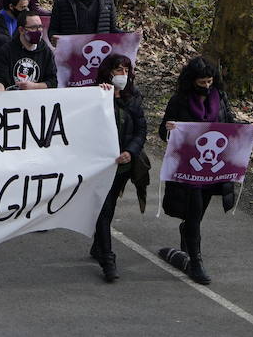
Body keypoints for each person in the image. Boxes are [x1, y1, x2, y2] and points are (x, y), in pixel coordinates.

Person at [159, 56, 243, 285]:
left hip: (213, 170)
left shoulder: (220, 97)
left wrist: (248, 130)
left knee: (199, 211)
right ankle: (196, 261)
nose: (207, 87)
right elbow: (163, 132)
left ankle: (187, 232)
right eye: (202, 83)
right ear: (191, 81)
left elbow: (230, 125)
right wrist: (169, 129)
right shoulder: (179, 101)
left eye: (210, 82)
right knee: (194, 211)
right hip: (190, 169)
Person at [88, 53, 148, 282]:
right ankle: (108, 258)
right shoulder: (95, 95)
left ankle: (98, 246)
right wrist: (104, 97)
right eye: (118, 70)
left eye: (126, 70)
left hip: (121, 167)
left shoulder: (133, 97)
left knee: (109, 207)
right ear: (107, 72)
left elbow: (141, 130)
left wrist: (130, 152)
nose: (122, 75)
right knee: (103, 210)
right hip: (100, 166)